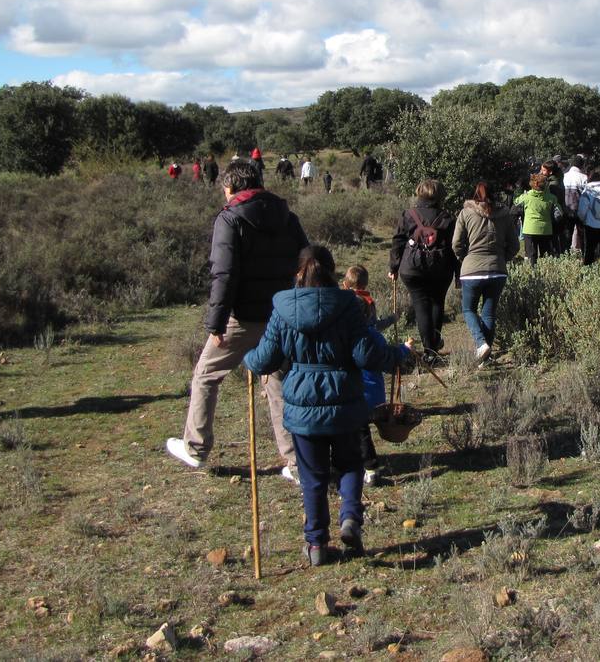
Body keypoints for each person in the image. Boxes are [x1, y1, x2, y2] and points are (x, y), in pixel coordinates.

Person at [243, 246, 415, 566]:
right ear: (334, 272)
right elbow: (367, 355)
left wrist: (248, 358)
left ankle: (316, 544)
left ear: (298, 273)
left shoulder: (283, 308)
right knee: (350, 465)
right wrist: (397, 355)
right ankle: (350, 519)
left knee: (313, 476)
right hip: (345, 402)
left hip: (302, 407)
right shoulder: (348, 306)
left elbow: (265, 359)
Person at [166, 160, 310, 482]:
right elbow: (307, 262)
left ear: (231, 187)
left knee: (206, 374)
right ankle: (297, 463)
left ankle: (195, 448)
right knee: (278, 383)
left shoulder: (229, 218)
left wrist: (216, 322)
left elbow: (224, 274)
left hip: (242, 318)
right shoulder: (287, 216)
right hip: (281, 316)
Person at [341, 264, 397, 487]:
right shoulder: (369, 308)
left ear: (345, 284)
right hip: (372, 388)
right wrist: (391, 321)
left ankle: (369, 467)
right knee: (360, 428)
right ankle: (367, 467)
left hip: (354, 388)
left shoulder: (344, 306)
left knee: (358, 428)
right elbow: (378, 336)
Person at [453, 182, 520, 364]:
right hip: (497, 270)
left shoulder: (466, 213)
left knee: (468, 309)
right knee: (489, 314)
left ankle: (481, 344)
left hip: (472, 270)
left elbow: (456, 243)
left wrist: (464, 258)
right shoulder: (504, 214)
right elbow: (515, 245)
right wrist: (502, 258)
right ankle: (486, 358)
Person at [389, 180, 457, 356]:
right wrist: (458, 273)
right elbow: (455, 247)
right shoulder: (448, 218)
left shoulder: (408, 214)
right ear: (441, 196)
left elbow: (398, 241)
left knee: (421, 306)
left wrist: (393, 267)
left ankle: (429, 350)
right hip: (441, 268)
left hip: (412, 268)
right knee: (437, 303)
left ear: (420, 193)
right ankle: (433, 348)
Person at [513, 172, 557, 264]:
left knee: (531, 255)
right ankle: (547, 270)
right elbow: (559, 213)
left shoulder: (526, 197)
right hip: (546, 230)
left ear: (534, 184)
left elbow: (516, 203)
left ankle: (533, 271)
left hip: (530, 230)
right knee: (546, 255)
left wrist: (518, 190)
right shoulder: (552, 198)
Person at [577, 168, 600, 268]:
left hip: (591, 224)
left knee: (590, 249)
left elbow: (582, 210)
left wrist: (582, 219)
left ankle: (588, 268)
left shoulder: (588, 191)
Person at [562, 154, 589, 252]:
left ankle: (566, 255)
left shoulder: (564, 176)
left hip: (566, 209)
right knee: (583, 235)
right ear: (582, 165)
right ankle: (585, 255)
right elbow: (587, 195)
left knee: (567, 235)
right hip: (580, 210)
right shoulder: (584, 177)